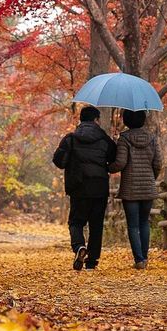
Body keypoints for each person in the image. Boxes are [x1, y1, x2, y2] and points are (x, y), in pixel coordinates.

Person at [52, 107, 116, 270]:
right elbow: (114, 158)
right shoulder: (104, 139)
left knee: (76, 222)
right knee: (96, 225)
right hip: (99, 187)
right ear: (96, 120)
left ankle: (79, 246)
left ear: (81, 120)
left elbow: (59, 161)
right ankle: (92, 261)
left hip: (78, 186)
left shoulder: (71, 139)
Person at [109, 109, 162, 269]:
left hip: (130, 189)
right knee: (144, 222)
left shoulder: (124, 138)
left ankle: (138, 260)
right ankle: (144, 258)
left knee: (133, 225)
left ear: (126, 120)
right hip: (147, 187)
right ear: (143, 120)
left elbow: (120, 163)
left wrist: (107, 167)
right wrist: (151, 177)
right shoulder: (152, 138)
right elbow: (158, 163)